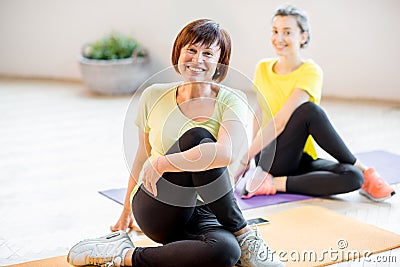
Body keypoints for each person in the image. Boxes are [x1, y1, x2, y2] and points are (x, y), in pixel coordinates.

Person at [67, 19, 284, 267]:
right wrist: (126, 211)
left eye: (208, 53)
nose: (197, 59)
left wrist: (162, 162)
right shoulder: (153, 95)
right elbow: (141, 157)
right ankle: (245, 234)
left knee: (225, 252)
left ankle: (122, 256)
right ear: (178, 52)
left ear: (219, 63)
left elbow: (224, 154)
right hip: (159, 204)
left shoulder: (233, 99)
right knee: (198, 137)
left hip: (208, 211)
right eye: (191, 50)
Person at [234, 5, 395, 202]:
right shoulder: (263, 68)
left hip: (300, 156)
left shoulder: (310, 71)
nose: (279, 38)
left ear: (303, 36)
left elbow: (284, 120)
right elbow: (262, 113)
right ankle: (366, 170)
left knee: (353, 176)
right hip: (272, 155)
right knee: (309, 111)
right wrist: (250, 159)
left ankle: (274, 184)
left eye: (287, 32)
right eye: (275, 31)